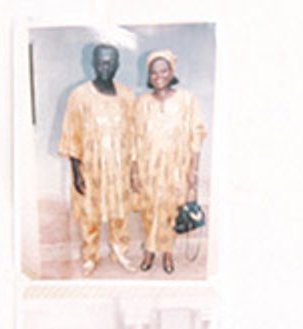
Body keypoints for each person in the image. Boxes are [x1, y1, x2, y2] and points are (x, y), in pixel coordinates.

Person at [54, 40, 134, 273]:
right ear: (93, 63)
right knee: (91, 212)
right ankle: (90, 255)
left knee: (120, 211)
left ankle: (120, 251)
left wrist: (134, 168)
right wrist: (76, 172)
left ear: (118, 64)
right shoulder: (79, 95)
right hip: (91, 165)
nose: (105, 67)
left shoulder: (127, 95)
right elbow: (71, 134)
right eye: (101, 62)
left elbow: (134, 132)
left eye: (110, 62)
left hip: (120, 165)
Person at [130, 49, 207, 275]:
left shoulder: (186, 100)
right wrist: (134, 171)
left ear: (171, 71)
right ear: (149, 75)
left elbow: (197, 134)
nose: (159, 76)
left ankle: (167, 254)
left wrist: (193, 168)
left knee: (172, 211)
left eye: (163, 71)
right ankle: (149, 252)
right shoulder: (142, 102)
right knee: (150, 211)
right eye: (154, 72)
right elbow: (134, 138)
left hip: (177, 167)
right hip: (148, 168)